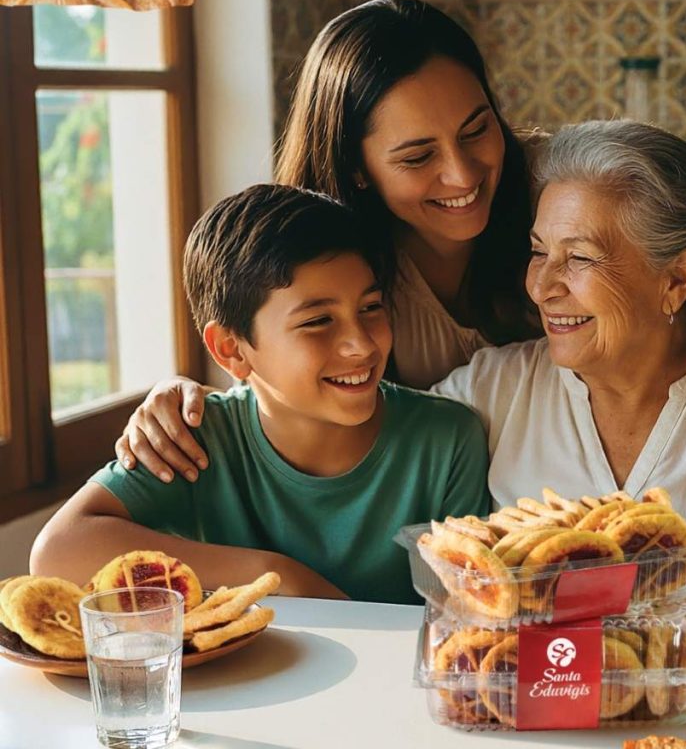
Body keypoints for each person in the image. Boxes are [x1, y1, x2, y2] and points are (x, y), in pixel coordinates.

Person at [112, 0, 686, 485]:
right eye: (416, 156)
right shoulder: (338, 267)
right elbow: (274, 374)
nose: (462, 174)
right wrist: (183, 395)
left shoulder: (552, 183)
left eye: (476, 128)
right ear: (355, 171)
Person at [30, 185, 491, 603]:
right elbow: (57, 551)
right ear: (231, 350)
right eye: (317, 321)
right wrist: (274, 574)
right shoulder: (194, 439)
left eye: (371, 307)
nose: (363, 344)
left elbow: (462, 620)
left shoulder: (447, 440)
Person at [430, 120, 686, 624]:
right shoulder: (494, 389)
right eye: (538, 251)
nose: (543, 286)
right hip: (537, 696)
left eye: (580, 257)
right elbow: (365, 435)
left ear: (677, 278)